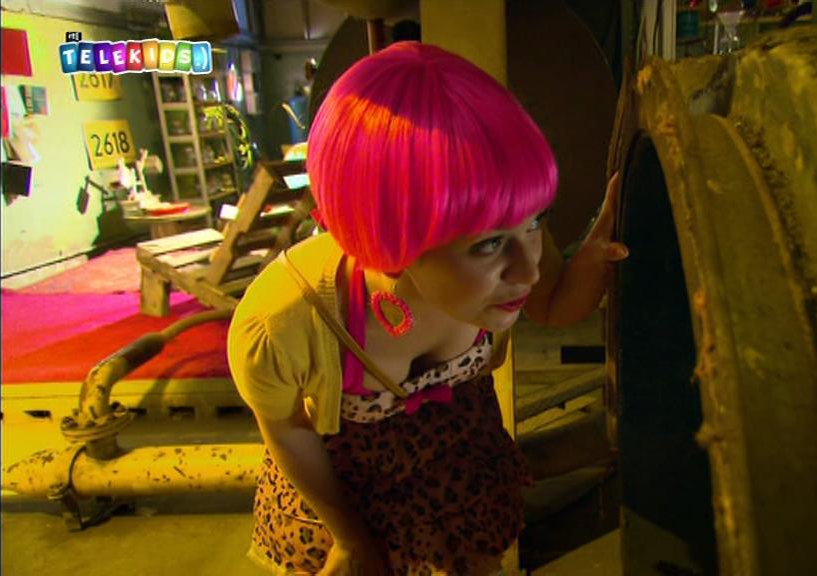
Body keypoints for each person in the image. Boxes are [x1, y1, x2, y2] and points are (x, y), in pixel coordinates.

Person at [228, 41, 628, 576]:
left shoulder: (508, 237)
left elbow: (553, 304)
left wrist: (595, 259)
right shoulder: (284, 323)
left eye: (535, 221)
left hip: (460, 466)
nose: (528, 269)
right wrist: (349, 537)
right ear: (390, 238)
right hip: (342, 490)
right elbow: (287, 430)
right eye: (488, 244)